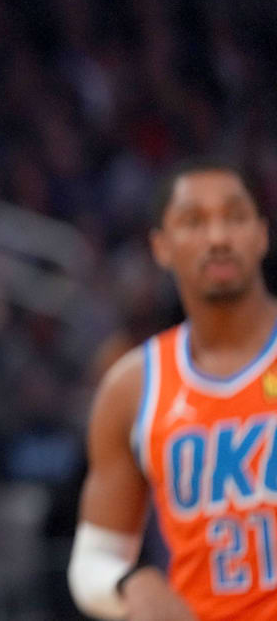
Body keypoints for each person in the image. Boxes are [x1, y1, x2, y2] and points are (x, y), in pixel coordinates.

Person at [70, 161, 277, 621]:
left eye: (235, 217)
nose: (218, 237)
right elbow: (92, 561)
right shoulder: (132, 386)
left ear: (262, 235)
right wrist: (132, 584)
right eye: (193, 222)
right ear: (161, 247)